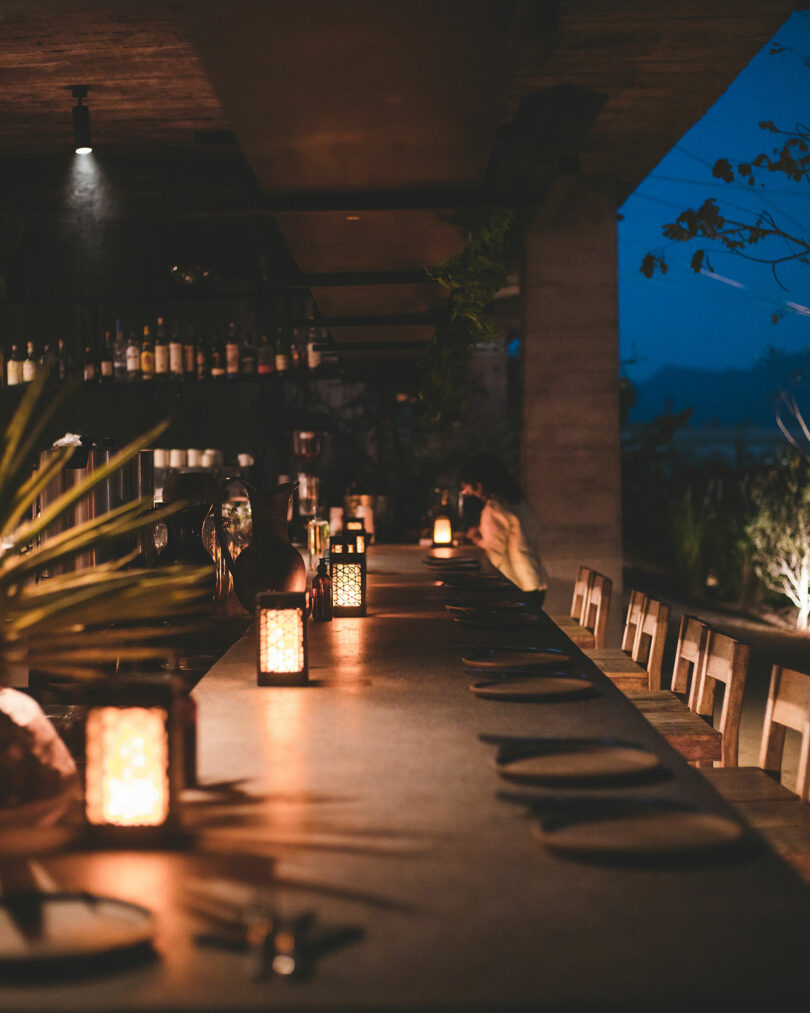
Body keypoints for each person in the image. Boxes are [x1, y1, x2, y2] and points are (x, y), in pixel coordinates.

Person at [459, 453, 548, 609]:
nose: (470, 494)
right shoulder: (518, 502)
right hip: (535, 580)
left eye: (468, 490)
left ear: (479, 485)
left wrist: (475, 539)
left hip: (518, 586)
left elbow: (495, 552)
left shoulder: (493, 508)